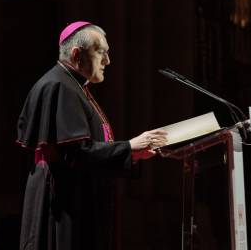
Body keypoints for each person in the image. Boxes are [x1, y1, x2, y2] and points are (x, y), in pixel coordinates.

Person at [16, 22, 168, 249]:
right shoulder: (59, 86)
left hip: (80, 196)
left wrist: (133, 153)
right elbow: (75, 154)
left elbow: (87, 150)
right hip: (64, 204)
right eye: (102, 53)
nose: (108, 62)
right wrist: (128, 147)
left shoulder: (75, 86)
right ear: (77, 54)